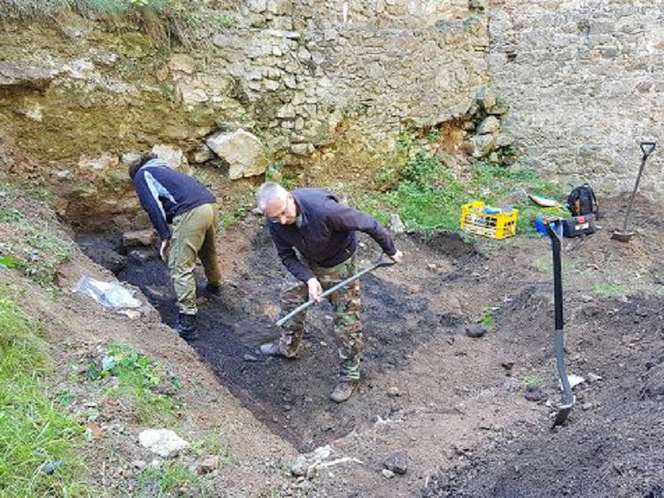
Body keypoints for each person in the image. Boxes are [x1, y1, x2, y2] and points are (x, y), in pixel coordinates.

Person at [256, 182, 403, 403]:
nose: (283, 221)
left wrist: (390, 250)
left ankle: (350, 375)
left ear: (289, 198)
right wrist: (309, 279)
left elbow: (369, 224)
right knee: (289, 299)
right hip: (308, 261)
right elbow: (286, 256)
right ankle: (288, 346)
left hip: (339, 264)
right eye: (276, 218)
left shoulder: (325, 210)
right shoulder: (274, 221)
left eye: (284, 213)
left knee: (346, 322)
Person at [128, 152, 222, 341]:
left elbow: (152, 206)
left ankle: (188, 323)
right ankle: (215, 285)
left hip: (192, 211)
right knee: (207, 251)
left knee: (179, 265)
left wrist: (164, 236)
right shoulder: (165, 170)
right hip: (210, 205)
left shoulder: (141, 175)